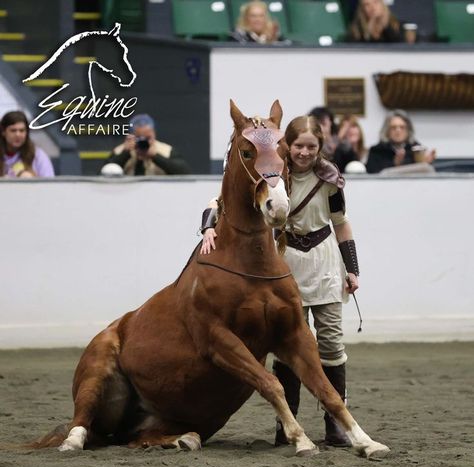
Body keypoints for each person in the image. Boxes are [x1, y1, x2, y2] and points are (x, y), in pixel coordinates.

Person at [200, 115, 360, 447]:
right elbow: (225, 201)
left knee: (330, 343)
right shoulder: (270, 173)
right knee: (289, 346)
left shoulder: (330, 181)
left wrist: (353, 267)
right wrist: (208, 226)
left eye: (311, 146)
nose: (304, 152)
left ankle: (336, 424)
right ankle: (286, 424)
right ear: (287, 147)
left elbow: (342, 224)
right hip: (285, 263)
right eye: (298, 146)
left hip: (325, 262)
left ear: (320, 148)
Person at [107, 114, 191, 176]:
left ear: (154, 134)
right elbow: (103, 175)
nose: (143, 141)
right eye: (138, 137)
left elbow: (185, 174)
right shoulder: (119, 151)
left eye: (148, 138)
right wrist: (125, 154)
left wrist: (155, 156)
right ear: (131, 136)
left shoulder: (166, 151)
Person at [366, 109, 436, 174]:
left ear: (408, 130)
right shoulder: (376, 151)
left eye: (402, 127)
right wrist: (394, 164)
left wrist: (426, 163)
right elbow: (372, 176)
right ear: (387, 131)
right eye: (394, 127)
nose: (398, 131)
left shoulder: (416, 150)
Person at [0, 110, 55, 178]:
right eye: (13, 130)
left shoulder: (38, 156)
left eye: (22, 130)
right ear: (3, 132)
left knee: (26, 176)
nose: (18, 135)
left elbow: (49, 184)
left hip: (32, 188)